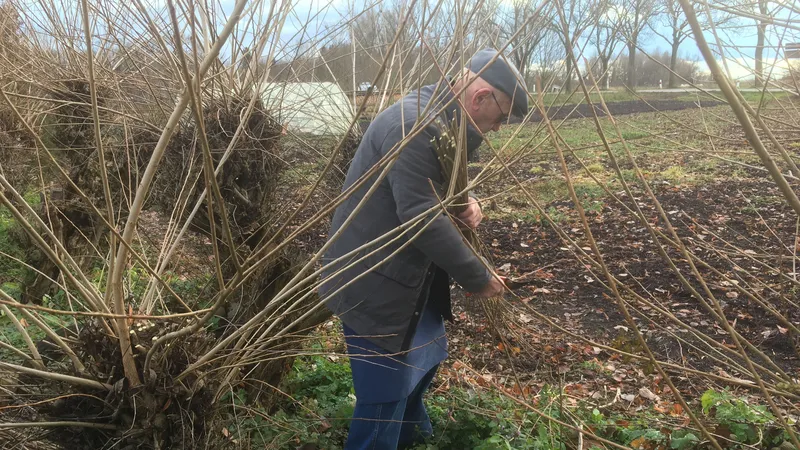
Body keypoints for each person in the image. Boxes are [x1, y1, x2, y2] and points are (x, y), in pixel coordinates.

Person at [319, 48, 528, 450]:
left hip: (410, 280)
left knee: (427, 360)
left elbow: (439, 189)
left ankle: (411, 439)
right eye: (501, 117)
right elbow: (420, 216)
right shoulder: (414, 126)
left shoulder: (445, 121)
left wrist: (470, 204)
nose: (499, 128)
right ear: (479, 97)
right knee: (384, 397)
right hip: (375, 284)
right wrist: (478, 277)